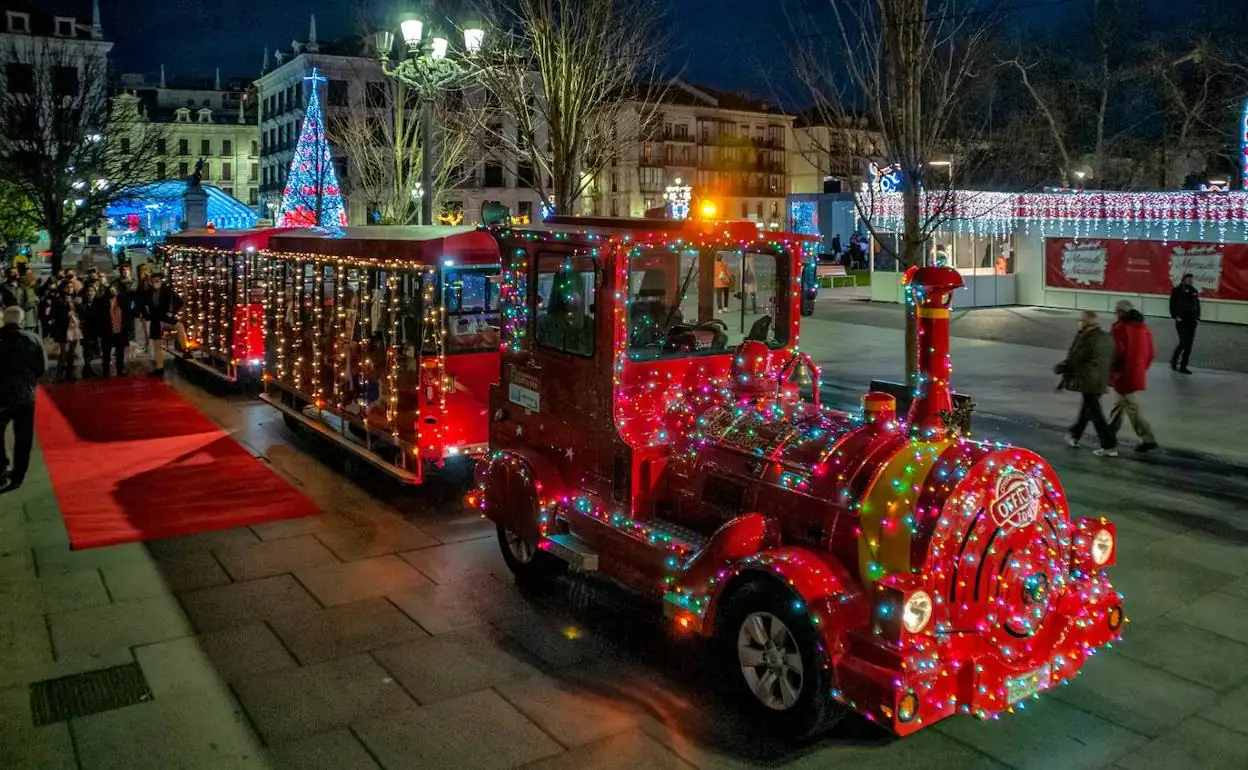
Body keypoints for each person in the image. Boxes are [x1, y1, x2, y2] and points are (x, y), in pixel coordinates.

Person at [1055, 310, 1117, 457]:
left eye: (1081, 320)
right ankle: (1075, 436)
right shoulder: (1105, 337)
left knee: (1095, 413)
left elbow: (1075, 359)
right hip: (1100, 379)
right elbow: (1113, 358)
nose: (1079, 322)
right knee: (1088, 408)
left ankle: (1109, 445)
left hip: (1089, 380)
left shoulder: (1087, 338)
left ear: (1086, 323)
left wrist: (1060, 368)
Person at [0, 306, 47, 493]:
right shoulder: (33, 339)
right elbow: (41, 367)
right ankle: (18, 474)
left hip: (1, 394)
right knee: (23, 436)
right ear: (20, 320)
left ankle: (1, 467)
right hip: (25, 395)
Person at [1109, 300, 1157, 452]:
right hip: (1135, 372)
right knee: (1121, 405)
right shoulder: (1143, 327)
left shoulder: (1119, 328)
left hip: (1123, 374)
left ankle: (1147, 438)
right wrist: (1141, 369)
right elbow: (1150, 353)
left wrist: (1111, 372)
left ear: (1120, 312)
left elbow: (1116, 353)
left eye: (1116, 311)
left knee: (1129, 406)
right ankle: (1109, 435)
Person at [144, 273, 186, 377]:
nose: (156, 283)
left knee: (180, 326)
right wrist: (146, 315)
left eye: (158, 280)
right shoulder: (148, 293)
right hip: (155, 320)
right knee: (157, 345)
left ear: (161, 281)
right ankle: (159, 368)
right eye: (154, 281)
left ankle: (186, 349)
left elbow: (179, 302)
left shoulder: (167, 291)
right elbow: (142, 304)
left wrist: (172, 312)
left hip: (166, 318)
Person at [1169, 273, 1199, 374]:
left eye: (1191, 279)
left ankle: (1183, 366)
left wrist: (1197, 316)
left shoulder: (1194, 291)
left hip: (1191, 320)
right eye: (1188, 279)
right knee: (1183, 342)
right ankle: (1174, 360)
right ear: (1183, 279)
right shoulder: (1177, 290)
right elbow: (1172, 304)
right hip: (1182, 321)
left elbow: (1197, 304)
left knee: (1189, 345)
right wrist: (1176, 316)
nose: (1190, 281)